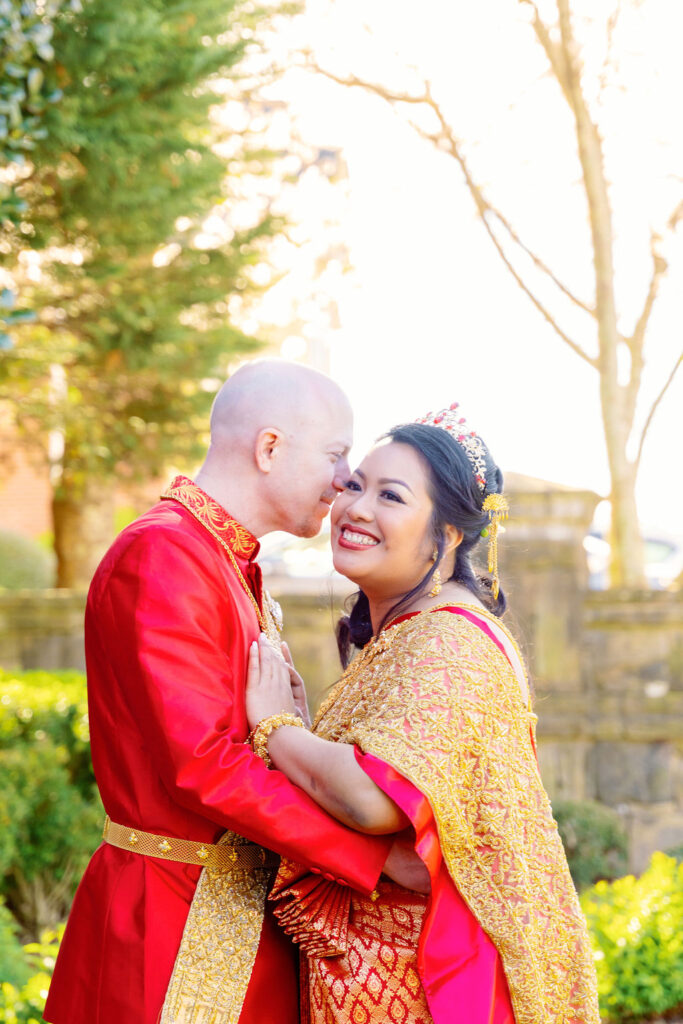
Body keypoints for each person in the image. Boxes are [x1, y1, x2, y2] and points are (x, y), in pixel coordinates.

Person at [44, 360, 424, 1024]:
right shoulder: (162, 555)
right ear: (269, 447)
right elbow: (204, 764)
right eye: (335, 455)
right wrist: (375, 858)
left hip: (234, 914)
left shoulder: (224, 560)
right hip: (165, 927)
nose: (345, 480)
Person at [244, 406, 601, 1024]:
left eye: (392, 496)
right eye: (355, 484)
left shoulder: (448, 641)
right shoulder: (413, 631)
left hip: (431, 984)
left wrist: (277, 729)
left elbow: (374, 797)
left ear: (451, 533)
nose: (356, 508)